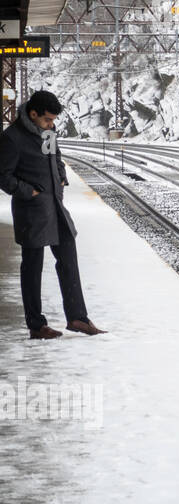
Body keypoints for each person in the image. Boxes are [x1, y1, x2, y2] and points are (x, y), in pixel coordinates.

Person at [0, 90, 105, 339]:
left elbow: (54, 156)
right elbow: (3, 176)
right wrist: (29, 192)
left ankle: (77, 318)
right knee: (32, 267)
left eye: (54, 120)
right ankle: (37, 325)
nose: (52, 124)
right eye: (47, 119)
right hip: (31, 210)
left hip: (56, 206)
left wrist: (61, 177)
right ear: (33, 114)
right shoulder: (11, 138)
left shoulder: (47, 132)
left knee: (68, 259)